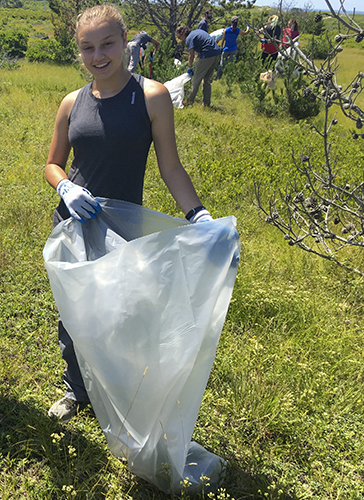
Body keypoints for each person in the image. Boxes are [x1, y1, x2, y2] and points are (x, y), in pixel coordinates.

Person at [44, 5, 213, 422]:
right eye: (88, 47)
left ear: (125, 43)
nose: (98, 55)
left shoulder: (150, 96)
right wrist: (64, 186)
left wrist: (198, 215)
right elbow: (52, 164)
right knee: (73, 312)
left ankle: (117, 390)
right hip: (72, 225)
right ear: (79, 51)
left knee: (119, 312)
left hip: (121, 228)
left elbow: (170, 167)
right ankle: (76, 389)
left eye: (107, 44)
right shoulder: (72, 102)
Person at [175, 25, 222, 107]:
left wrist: (189, 67)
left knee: (196, 79)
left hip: (207, 54)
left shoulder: (189, 38)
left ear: (182, 34)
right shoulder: (197, 31)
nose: (179, 39)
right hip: (216, 53)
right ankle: (206, 103)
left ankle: (190, 102)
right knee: (207, 80)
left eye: (179, 37)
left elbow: (191, 55)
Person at [217, 15, 250, 79]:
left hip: (226, 49)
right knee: (231, 64)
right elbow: (245, 33)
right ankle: (229, 78)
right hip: (233, 49)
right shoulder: (237, 30)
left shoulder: (226, 30)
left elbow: (223, 40)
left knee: (222, 64)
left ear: (231, 21)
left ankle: (218, 77)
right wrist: (248, 28)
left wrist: (221, 47)